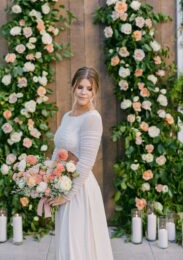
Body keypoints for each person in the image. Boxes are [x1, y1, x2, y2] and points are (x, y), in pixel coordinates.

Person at [49, 67, 114, 260]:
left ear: (95, 92)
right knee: (66, 240)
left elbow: (86, 161)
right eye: (80, 87)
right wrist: (48, 179)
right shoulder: (68, 116)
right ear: (73, 88)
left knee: (78, 242)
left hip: (79, 189)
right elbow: (58, 149)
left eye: (89, 88)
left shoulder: (93, 118)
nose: (84, 92)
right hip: (62, 184)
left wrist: (68, 195)